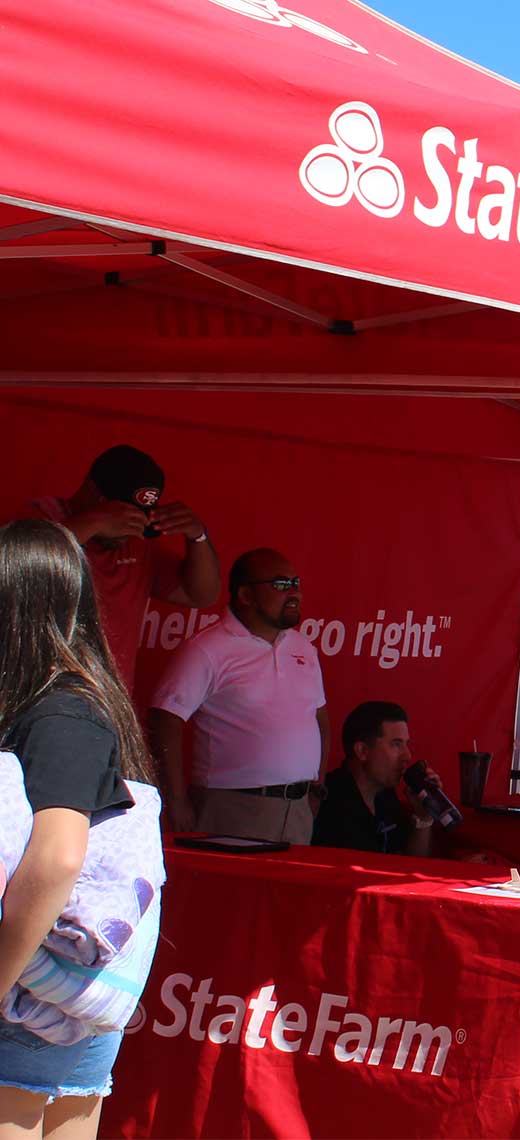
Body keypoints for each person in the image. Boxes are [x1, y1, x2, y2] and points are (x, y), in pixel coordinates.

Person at [0, 519, 164, 1134]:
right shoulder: (81, 701)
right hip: (60, 996)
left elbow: (59, 856)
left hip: (28, 999)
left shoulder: (60, 709)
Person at [146, 550, 328, 842]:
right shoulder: (206, 648)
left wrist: (317, 788)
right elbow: (164, 720)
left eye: (296, 583)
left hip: (297, 811)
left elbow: (319, 719)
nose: (294, 592)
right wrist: (176, 801)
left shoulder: (304, 648)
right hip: (231, 808)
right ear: (245, 595)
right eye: (281, 585)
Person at [18, 445, 219, 693]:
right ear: (91, 490)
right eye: (119, 512)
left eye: (137, 516)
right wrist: (94, 522)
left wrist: (197, 536)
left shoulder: (136, 545)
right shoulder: (33, 522)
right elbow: (23, 566)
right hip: (36, 701)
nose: (127, 525)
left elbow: (201, 594)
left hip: (107, 708)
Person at [312, 702, 447, 858]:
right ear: (362, 751)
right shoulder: (330, 803)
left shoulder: (385, 795)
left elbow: (410, 862)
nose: (407, 755)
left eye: (406, 744)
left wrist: (423, 816)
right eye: (396, 744)